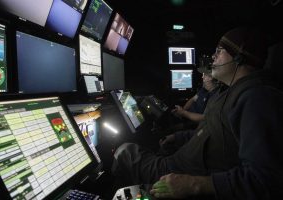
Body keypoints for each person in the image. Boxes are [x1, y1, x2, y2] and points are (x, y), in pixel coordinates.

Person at [111, 26, 283, 199]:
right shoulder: (228, 92)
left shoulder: (257, 98)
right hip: (177, 162)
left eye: (219, 51)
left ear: (239, 57)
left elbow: (265, 179)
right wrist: (179, 137)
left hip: (179, 175)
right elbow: (212, 133)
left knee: (124, 151)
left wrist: (193, 185)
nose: (213, 56)